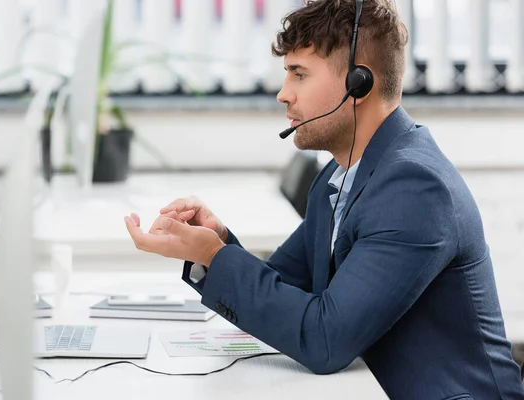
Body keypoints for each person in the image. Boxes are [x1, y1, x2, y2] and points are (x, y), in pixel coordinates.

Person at [124, 0, 524, 398]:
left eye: (299, 75)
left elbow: (324, 340)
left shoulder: (415, 187)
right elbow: (284, 288)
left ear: (358, 83)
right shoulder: (338, 176)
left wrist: (215, 255)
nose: (283, 94)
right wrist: (218, 241)